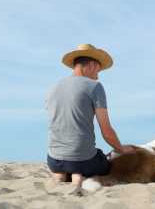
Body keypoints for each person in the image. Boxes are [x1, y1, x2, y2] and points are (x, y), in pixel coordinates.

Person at [46, 44, 135, 186]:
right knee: (104, 163)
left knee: (71, 163)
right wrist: (122, 149)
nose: (97, 76)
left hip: (53, 160)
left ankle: (64, 173)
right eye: (98, 71)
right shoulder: (94, 87)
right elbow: (106, 132)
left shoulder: (53, 87)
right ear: (92, 65)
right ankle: (77, 173)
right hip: (83, 160)